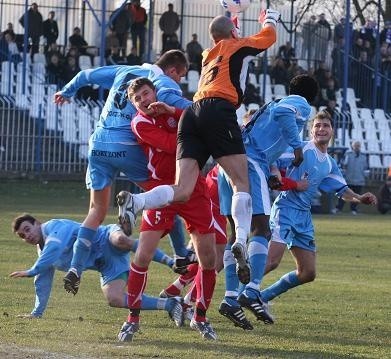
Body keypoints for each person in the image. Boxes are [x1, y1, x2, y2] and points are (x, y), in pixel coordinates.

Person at [117, 10, 280, 287]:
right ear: (232, 34)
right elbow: (269, 37)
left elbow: (229, 37)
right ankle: (240, 241)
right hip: (219, 109)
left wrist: (232, 14)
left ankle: (138, 202)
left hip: (193, 112)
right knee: (242, 182)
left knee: (182, 190)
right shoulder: (237, 46)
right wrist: (270, 17)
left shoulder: (207, 55)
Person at [53, 50, 193, 295]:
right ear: (173, 71)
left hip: (98, 145)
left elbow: (86, 74)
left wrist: (67, 91)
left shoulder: (122, 71)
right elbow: (178, 104)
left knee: (96, 211)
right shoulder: (158, 81)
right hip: (127, 146)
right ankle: (181, 255)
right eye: (180, 76)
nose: (178, 81)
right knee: (168, 194)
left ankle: (75, 268)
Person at [117, 77, 217, 341]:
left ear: (154, 92)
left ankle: (200, 317)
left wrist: (173, 111)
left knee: (209, 260)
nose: (144, 101)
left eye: (146, 94)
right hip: (161, 191)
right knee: (143, 256)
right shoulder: (140, 123)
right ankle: (132, 319)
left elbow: (199, 122)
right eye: (137, 99)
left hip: (194, 190)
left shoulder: (172, 112)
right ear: (133, 105)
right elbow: (176, 146)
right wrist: (190, 133)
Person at [217, 75, 317, 330]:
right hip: (250, 164)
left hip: (228, 164)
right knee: (261, 229)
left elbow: (266, 133)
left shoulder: (271, 104)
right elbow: (286, 114)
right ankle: (251, 291)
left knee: (235, 233)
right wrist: (297, 147)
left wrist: (273, 172)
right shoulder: (299, 104)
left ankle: (230, 298)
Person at [260, 112, 377, 320]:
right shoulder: (301, 149)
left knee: (308, 272)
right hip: (285, 209)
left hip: (303, 217)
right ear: (311, 130)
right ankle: (236, 297)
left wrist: (360, 198)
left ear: (332, 131)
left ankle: (263, 296)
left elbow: (342, 190)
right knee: (271, 262)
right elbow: (272, 158)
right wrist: (278, 175)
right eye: (317, 126)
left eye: (325, 126)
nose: (321, 129)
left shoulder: (329, 163)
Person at [10, 214, 183, 327]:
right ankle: (170, 304)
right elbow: (42, 282)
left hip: (104, 236)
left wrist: (32, 270)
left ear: (37, 223)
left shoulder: (53, 227)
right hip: (106, 264)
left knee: (121, 239)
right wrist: (36, 313)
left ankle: (171, 262)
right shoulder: (43, 255)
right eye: (23, 236)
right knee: (114, 298)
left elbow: (55, 247)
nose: (28, 235)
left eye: (27, 229)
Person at [332, 140, 368, 215]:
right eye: (355, 146)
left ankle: (354, 210)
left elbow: (366, 168)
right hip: (348, 179)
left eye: (358, 145)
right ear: (352, 146)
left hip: (359, 180)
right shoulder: (348, 155)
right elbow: (344, 165)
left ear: (360, 146)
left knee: (357, 196)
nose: (357, 147)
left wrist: (365, 177)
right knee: (344, 195)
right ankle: (338, 209)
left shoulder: (364, 157)